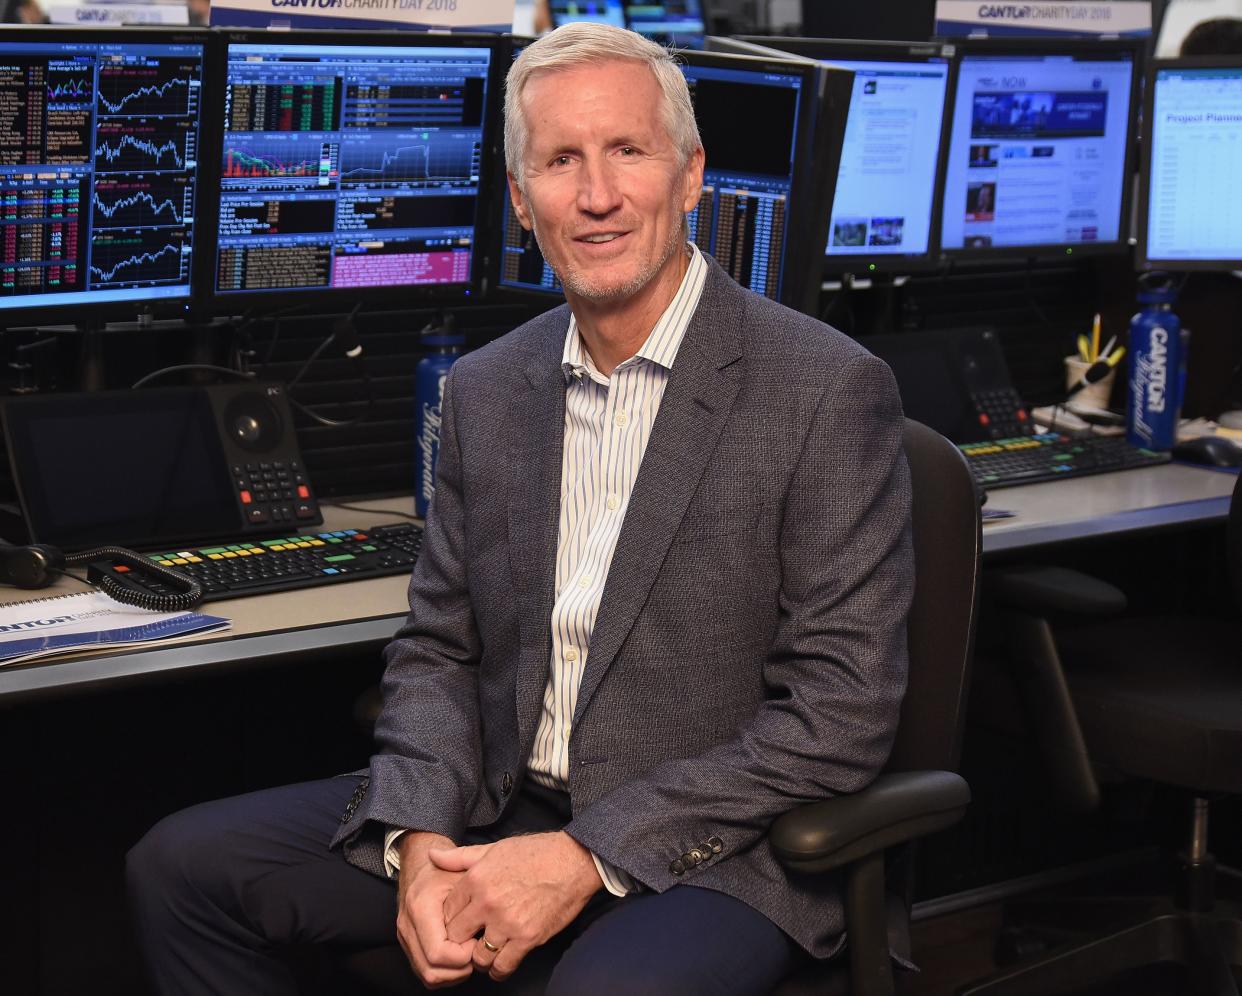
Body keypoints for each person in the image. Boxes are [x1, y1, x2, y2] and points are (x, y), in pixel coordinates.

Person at [126, 23, 913, 995]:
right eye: (560, 161)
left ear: (692, 174)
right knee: (183, 869)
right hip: (497, 810)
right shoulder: (490, 390)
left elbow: (841, 713)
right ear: (520, 200)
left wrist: (586, 856)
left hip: (712, 852)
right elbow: (439, 650)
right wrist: (414, 836)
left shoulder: (824, 390)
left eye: (627, 151)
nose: (595, 195)